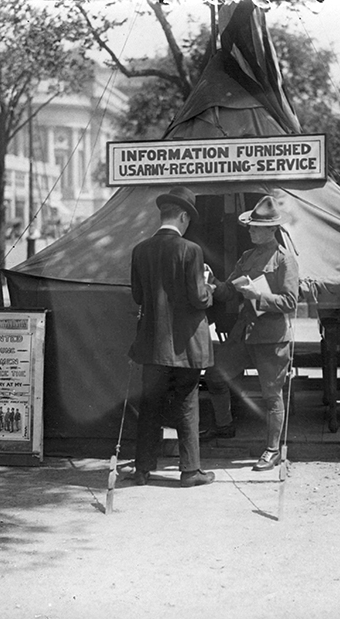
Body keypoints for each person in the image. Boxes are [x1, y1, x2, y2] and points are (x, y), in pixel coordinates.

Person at [202, 195, 299, 472]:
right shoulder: (247, 257)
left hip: (271, 337)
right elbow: (228, 290)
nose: (251, 230)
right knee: (215, 376)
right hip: (244, 333)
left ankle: (272, 450)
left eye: (256, 227)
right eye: (251, 226)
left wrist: (258, 296)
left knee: (271, 396)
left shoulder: (285, 260)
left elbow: (291, 302)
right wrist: (213, 283)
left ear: (271, 229)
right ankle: (224, 426)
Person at [128, 186, 216, 488]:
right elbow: (198, 299)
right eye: (187, 220)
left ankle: (142, 469)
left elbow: (139, 297)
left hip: (152, 345)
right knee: (186, 403)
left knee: (150, 404)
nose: (188, 224)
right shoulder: (191, 251)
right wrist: (208, 285)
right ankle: (190, 471)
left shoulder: (140, 250)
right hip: (186, 345)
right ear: (181, 216)